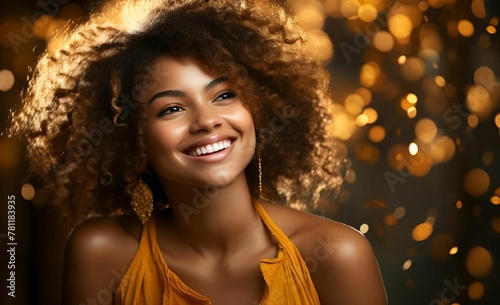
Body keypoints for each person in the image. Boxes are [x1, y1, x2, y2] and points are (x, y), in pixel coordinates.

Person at [8, 0, 387, 304]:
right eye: (172, 108)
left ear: (257, 109)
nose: (207, 120)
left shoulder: (335, 254)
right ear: (132, 142)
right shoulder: (102, 255)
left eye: (224, 95)